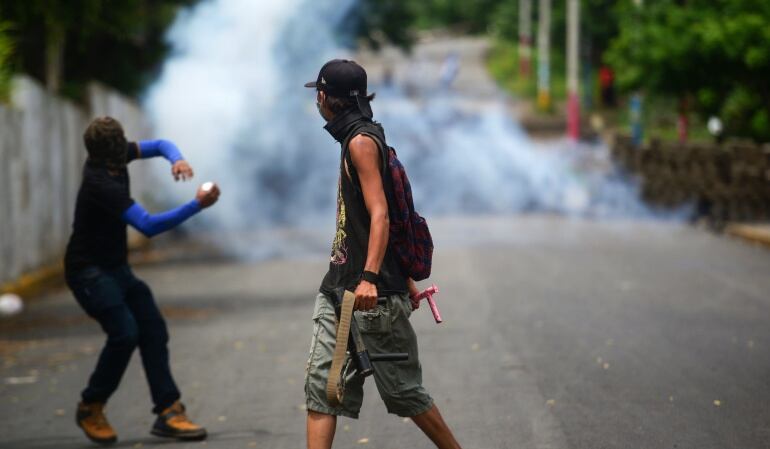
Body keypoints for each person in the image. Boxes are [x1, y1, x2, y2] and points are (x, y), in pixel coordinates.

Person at [303, 59, 463, 449]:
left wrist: (374, 278)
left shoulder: (360, 142)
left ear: (324, 97)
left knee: (404, 393)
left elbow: (381, 214)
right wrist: (403, 274)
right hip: (339, 289)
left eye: (318, 95)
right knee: (323, 389)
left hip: (370, 294)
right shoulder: (357, 138)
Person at [64, 117, 220, 444]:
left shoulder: (119, 154)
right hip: (87, 271)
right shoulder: (99, 182)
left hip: (115, 268)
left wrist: (176, 159)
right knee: (124, 334)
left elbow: (161, 145)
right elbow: (147, 226)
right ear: (109, 152)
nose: (127, 151)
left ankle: (169, 411)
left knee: (152, 328)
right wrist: (197, 205)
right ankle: (91, 405)